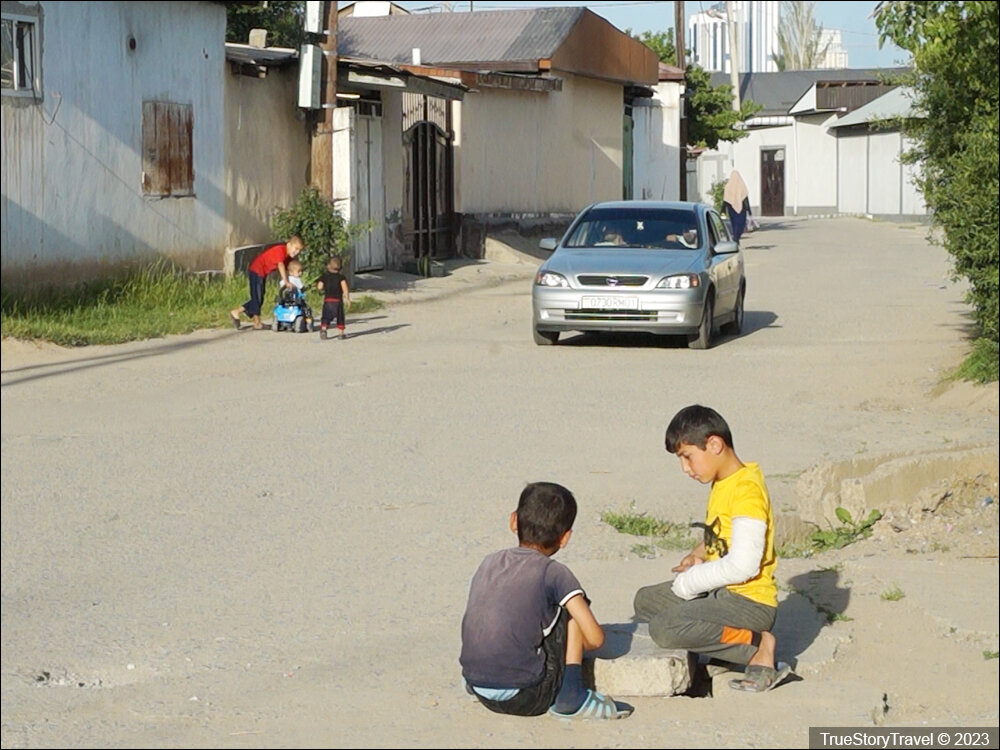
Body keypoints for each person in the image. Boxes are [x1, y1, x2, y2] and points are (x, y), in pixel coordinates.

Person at [633, 404, 792, 692]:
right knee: (645, 601)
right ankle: (724, 646)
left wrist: (693, 580)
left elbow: (744, 565)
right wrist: (698, 554)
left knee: (664, 628)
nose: (685, 468)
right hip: (722, 591)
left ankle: (758, 646)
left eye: (688, 457)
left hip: (749, 603)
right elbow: (722, 535)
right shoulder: (723, 481)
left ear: (715, 444)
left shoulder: (746, 491)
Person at [460, 482, 632, 720]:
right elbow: (595, 638)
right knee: (570, 609)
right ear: (565, 538)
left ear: (513, 521)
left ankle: (485, 675)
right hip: (526, 695)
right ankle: (571, 695)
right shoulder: (554, 572)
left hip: (478, 686)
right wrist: (565, 649)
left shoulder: (489, 562)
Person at [230, 235, 305, 330]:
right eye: (296, 248)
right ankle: (256, 322)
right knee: (257, 297)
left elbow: (289, 269)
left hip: (262, 273)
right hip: (257, 270)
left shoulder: (288, 257)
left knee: (259, 297)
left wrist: (295, 280)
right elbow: (280, 265)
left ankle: (236, 312)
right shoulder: (280, 250)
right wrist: (286, 281)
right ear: (289, 245)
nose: (297, 252)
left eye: (299, 250)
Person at [316, 255, 351, 340]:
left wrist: (321, 289)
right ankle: (341, 334)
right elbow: (345, 288)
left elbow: (319, 287)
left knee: (326, 316)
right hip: (338, 301)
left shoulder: (324, 276)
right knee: (340, 317)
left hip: (328, 301)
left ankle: (324, 330)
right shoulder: (341, 277)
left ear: (328, 266)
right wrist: (347, 298)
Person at [723, 170, 753, 242]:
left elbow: (726, 201)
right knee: (739, 224)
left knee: (736, 224)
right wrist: (749, 211)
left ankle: (736, 238)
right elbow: (726, 200)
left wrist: (723, 209)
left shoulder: (737, 187)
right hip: (740, 210)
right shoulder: (731, 187)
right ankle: (736, 238)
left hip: (732, 210)